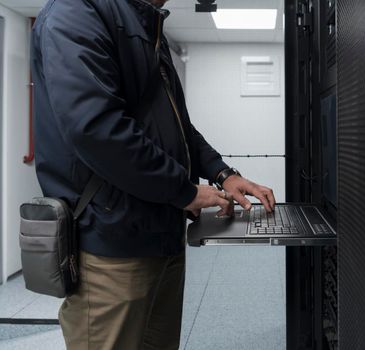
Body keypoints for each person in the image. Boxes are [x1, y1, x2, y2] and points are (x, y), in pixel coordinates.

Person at [31, 0, 276, 348]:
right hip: (112, 247)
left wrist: (223, 173)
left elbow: (178, 130)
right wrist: (186, 192)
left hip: (162, 237)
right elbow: (98, 130)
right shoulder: (77, 12)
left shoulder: (146, 28)